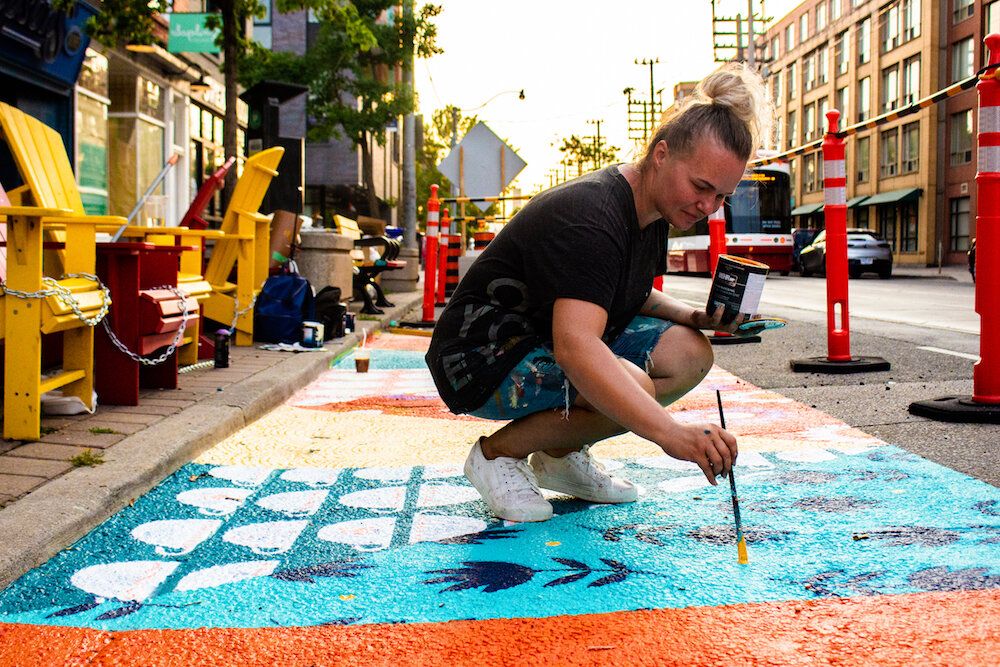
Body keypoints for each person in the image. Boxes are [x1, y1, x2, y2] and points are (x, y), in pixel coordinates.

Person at [425, 63, 775, 522]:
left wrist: (694, 317)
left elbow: (631, 294)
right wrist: (670, 433)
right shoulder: (596, 215)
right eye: (701, 187)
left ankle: (559, 456)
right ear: (661, 154)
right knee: (634, 385)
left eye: (721, 197)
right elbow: (576, 346)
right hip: (481, 357)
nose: (707, 207)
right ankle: (495, 456)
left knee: (689, 351)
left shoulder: (654, 210)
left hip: (539, 340)